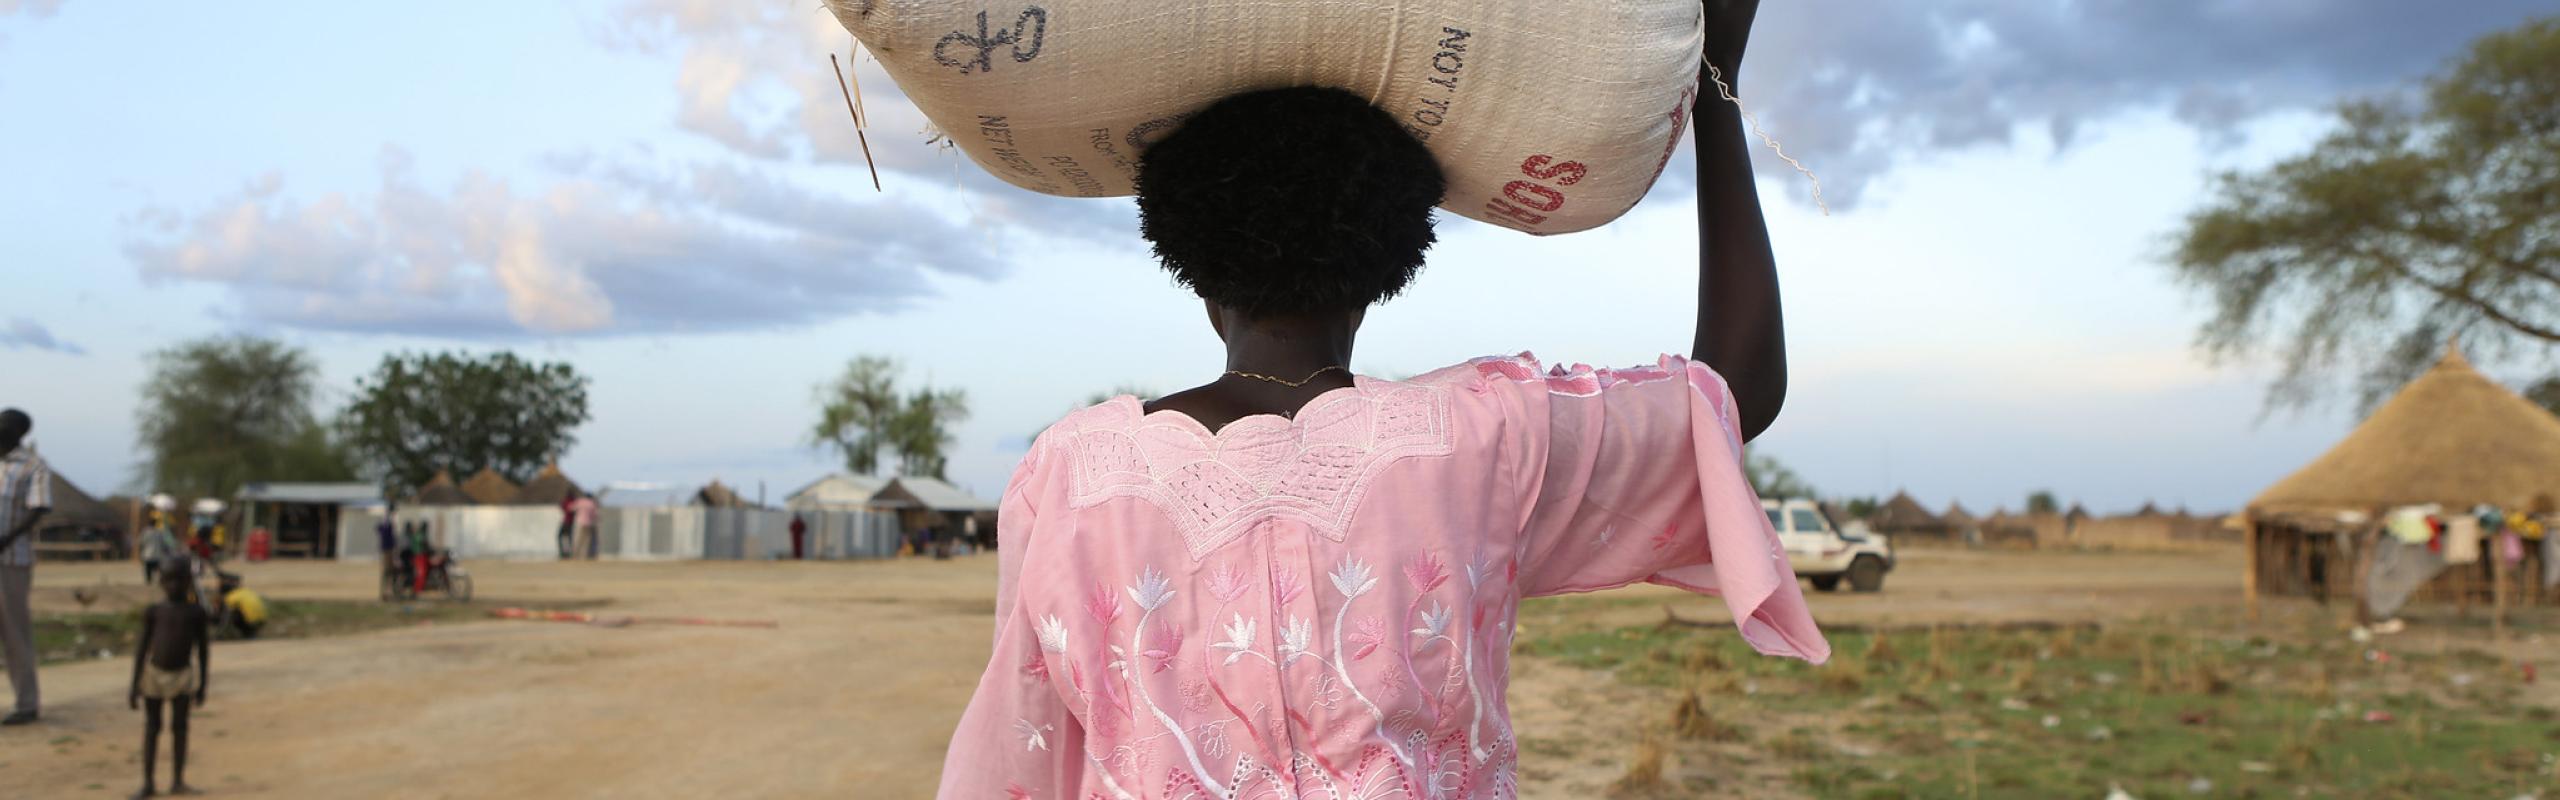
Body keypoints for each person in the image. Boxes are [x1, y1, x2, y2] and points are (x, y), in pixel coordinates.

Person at [932, 4, 1821, 796]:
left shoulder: (1072, 473)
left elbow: (1020, 749)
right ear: (1378, 277)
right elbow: (1733, 393)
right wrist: (1715, 91)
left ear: (1200, 280)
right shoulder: (1482, 440)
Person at [129, 565, 210, 797]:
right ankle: (148, 782)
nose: (174, 586)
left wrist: (203, 684)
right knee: (152, 728)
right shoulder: (154, 611)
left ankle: (178, 780)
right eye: (169, 580)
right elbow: (142, 648)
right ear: (161, 582)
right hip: (154, 674)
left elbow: (203, 651)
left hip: (183, 676)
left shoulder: (196, 613)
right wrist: (134, 685)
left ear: (188, 582)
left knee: (180, 728)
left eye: (179, 580)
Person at [0, 408, 53, 726]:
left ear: (18, 432)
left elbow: (40, 507)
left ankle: (26, 704)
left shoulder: (33, 466)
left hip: (11, 561)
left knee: (14, 633)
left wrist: (7, 538)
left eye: (4, 424)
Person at [216, 572, 266, 640]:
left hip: (251, 622)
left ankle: (247, 632)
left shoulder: (230, 597)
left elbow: (226, 616)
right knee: (241, 611)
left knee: (231, 614)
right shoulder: (246, 591)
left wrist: (219, 633)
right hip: (262, 620)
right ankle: (251, 632)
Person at [138, 511, 180, 586]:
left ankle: (149, 582)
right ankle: (158, 582)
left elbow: (141, 543)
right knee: (158, 570)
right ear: (155, 524)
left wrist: (140, 552)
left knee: (148, 570)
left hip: (147, 555)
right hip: (157, 555)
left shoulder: (145, 532)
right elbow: (163, 544)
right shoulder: (158, 532)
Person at [569, 492, 600, 560]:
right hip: (589, 524)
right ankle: (585, 555)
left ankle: (575, 555)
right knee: (587, 541)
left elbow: (571, 508)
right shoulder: (592, 503)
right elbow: (595, 514)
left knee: (578, 540)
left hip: (580, 523)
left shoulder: (580, 502)